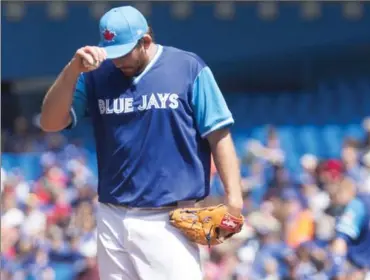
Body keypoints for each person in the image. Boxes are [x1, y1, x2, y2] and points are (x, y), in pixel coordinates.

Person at [39, 6, 243, 280]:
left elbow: (218, 135)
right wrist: (72, 69)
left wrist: (234, 199)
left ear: (145, 41)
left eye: (123, 53)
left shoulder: (187, 67)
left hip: (169, 218)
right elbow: (50, 122)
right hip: (112, 214)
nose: (117, 61)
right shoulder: (96, 75)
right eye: (112, 53)